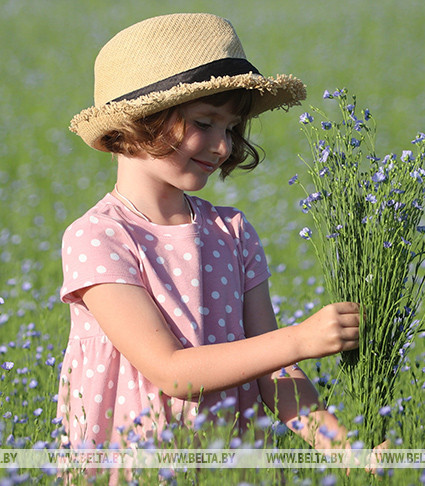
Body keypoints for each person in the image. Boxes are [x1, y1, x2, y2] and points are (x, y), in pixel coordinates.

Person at [57, 13, 362, 456]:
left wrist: (348, 450)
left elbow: (276, 377)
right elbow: (170, 371)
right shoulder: (98, 238)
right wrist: (299, 339)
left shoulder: (232, 232)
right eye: (204, 123)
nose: (223, 147)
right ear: (137, 123)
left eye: (232, 129)